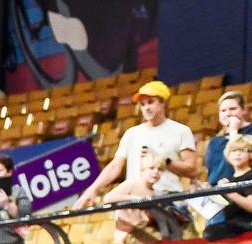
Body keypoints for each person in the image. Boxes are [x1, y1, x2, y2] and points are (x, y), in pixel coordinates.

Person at [76, 80, 197, 235]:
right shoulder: (132, 134)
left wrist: (165, 160)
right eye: (143, 104)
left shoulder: (181, 131)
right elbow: (115, 166)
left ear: (163, 103)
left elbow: (192, 170)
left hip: (170, 199)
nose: (146, 107)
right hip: (138, 202)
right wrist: (93, 189)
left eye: (151, 102)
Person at [199, 90, 252, 242]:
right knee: (214, 238)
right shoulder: (215, 141)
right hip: (217, 198)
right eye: (223, 110)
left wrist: (233, 130)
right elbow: (212, 170)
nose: (228, 114)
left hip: (245, 196)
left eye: (233, 109)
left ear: (243, 110)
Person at [106, 149, 169, 244]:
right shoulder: (132, 184)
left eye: (160, 169)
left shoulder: (155, 193)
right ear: (142, 170)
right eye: (151, 168)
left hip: (144, 231)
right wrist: (134, 199)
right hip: (129, 234)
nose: (156, 172)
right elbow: (108, 198)